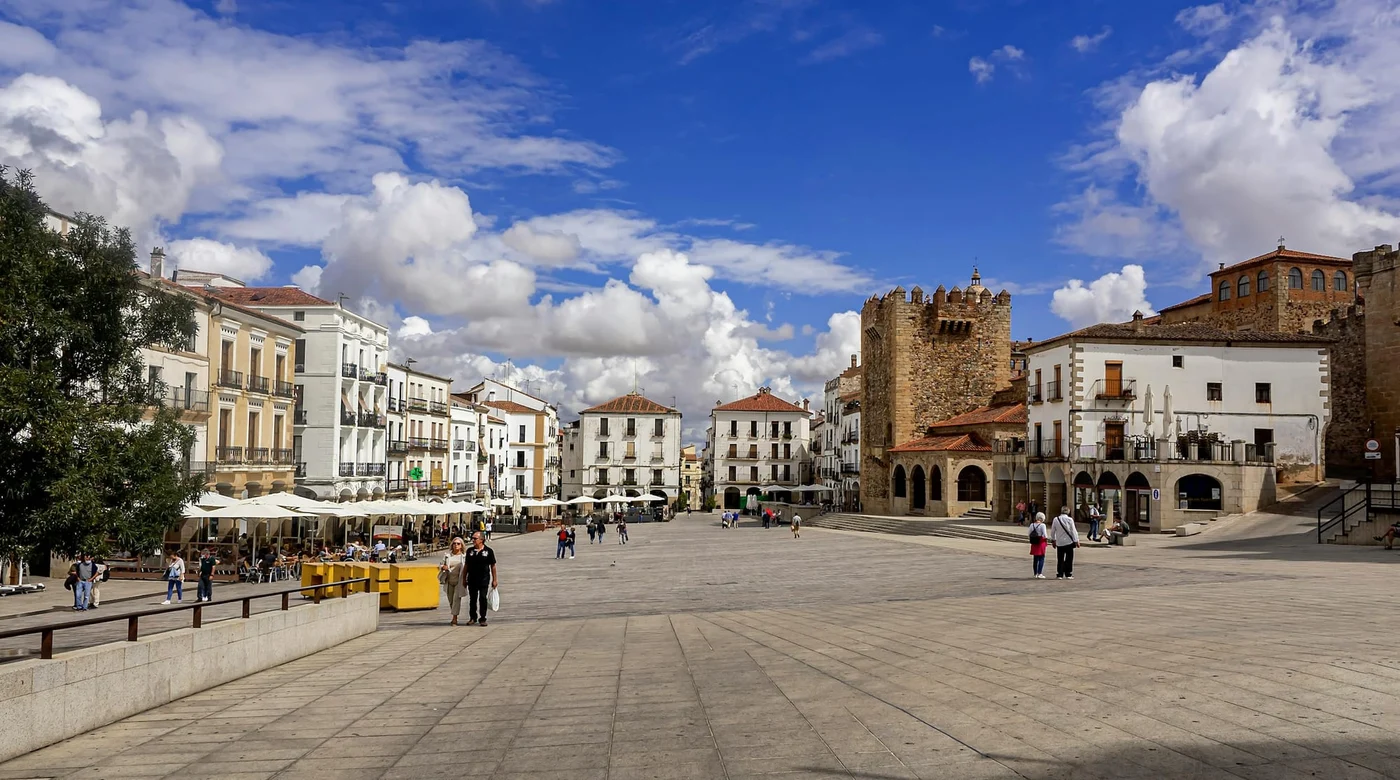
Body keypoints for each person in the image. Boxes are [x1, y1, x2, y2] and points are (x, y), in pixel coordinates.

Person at [462, 531, 497, 627]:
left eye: (475, 538)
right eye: (472, 538)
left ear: (481, 540)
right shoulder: (470, 551)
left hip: (484, 579)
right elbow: (466, 566)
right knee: (472, 599)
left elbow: (493, 566)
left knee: (482, 598)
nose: (473, 540)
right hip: (472, 579)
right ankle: (473, 617)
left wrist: (495, 580)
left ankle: (483, 618)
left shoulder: (488, 551)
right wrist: (464, 578)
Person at [441, 537, 468, 626]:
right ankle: (454, 614)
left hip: (459, 581)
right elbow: (441, 565)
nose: (456, 545)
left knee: (456, 599)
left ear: (461, 546)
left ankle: (454, 618)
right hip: (449, 580)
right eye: (454, 543)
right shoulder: (447, 556)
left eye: (458, 544)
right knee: (451, 600)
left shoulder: (463, 557)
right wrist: (442, 567)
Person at [1049, 506, 1079, 580]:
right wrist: (1076, 540)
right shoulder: (1070, 519)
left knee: (1060, 559)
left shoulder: (1056, 519)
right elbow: (1073, 531)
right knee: (1069, 558)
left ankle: (1060, 574)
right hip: (1069, 542)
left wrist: (1053, 540)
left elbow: (1053, 531)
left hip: (1060, 542)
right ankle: (1068, 573)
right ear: (1068, 512)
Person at [1028, 513, 1049, 578]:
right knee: (1041, 558)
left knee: (1035, 558)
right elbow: (1045, 535)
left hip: (1034, 542)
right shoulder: (1042, 525)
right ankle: (1040, 573)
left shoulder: (1032, 525)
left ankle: (1035, 573)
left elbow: (1029, 533)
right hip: (1040, 542)